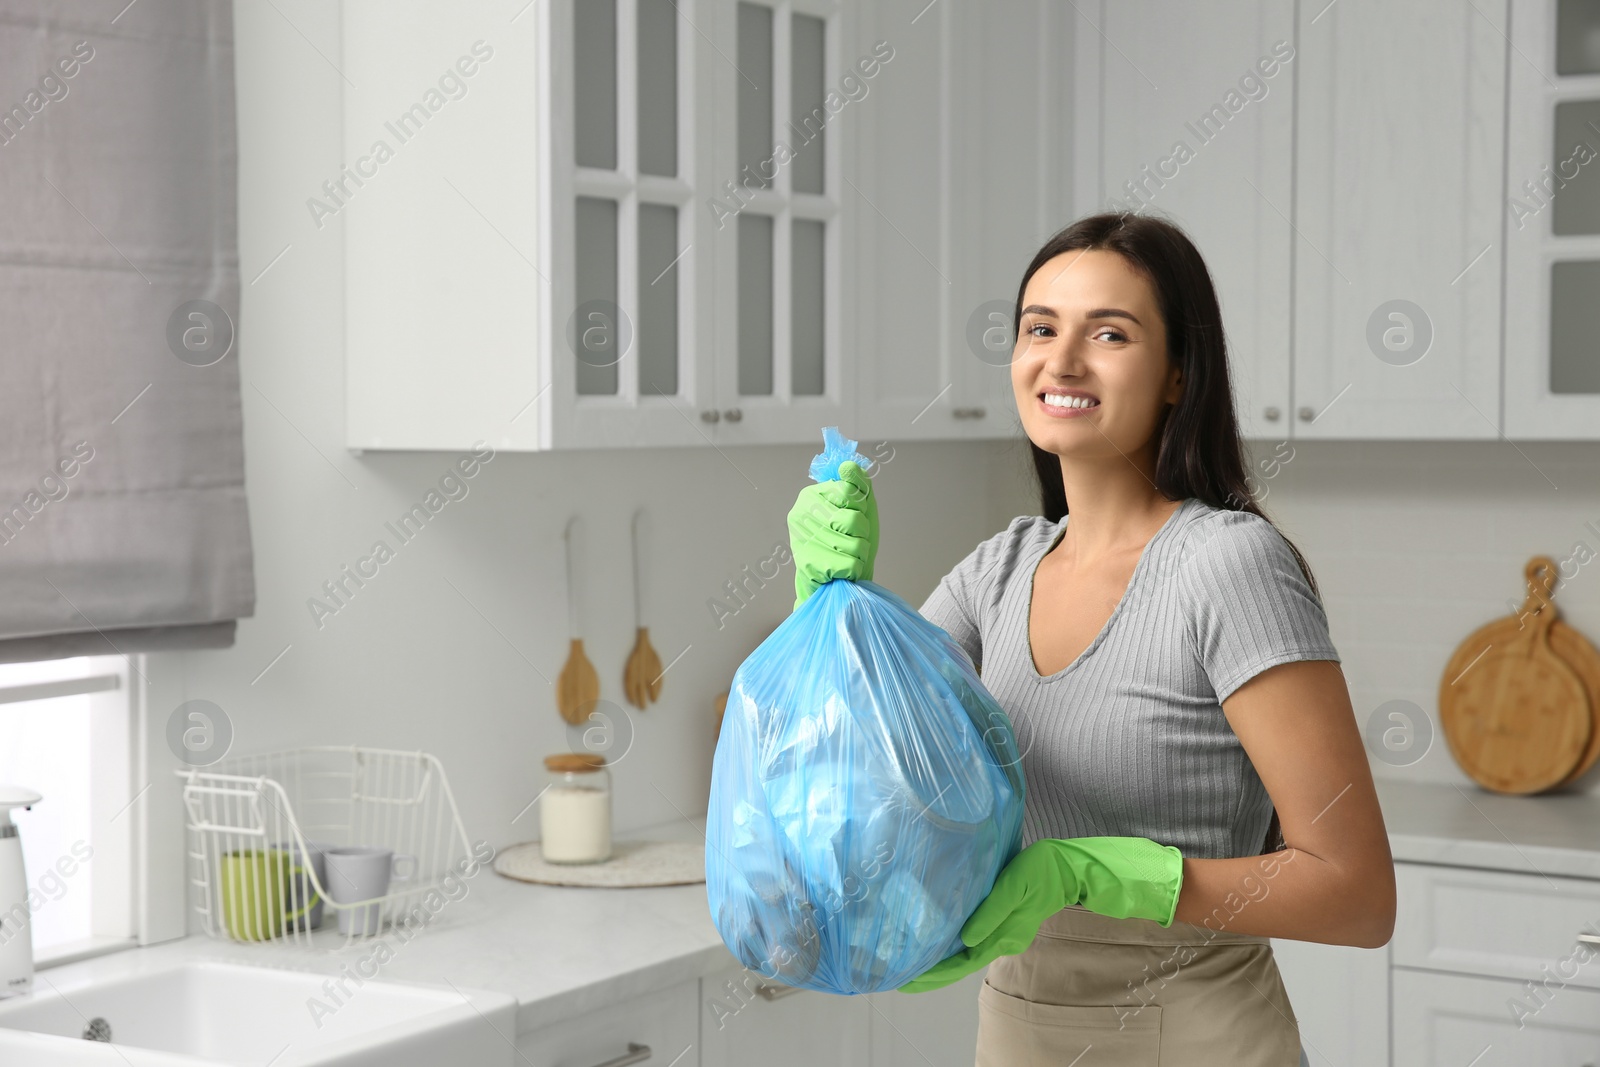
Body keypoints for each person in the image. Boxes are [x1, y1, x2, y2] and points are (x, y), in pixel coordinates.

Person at [786, 212, 1395, 1065]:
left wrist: (1098, 874)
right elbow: (858, 768)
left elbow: (1357, 894)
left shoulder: (1227, 566)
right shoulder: (995, 572)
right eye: (1041, 328)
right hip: (1018, 1026)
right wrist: (829, 596)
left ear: (1180, 374)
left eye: (1109, 332)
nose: (1062, 360)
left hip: (1195, 1031)